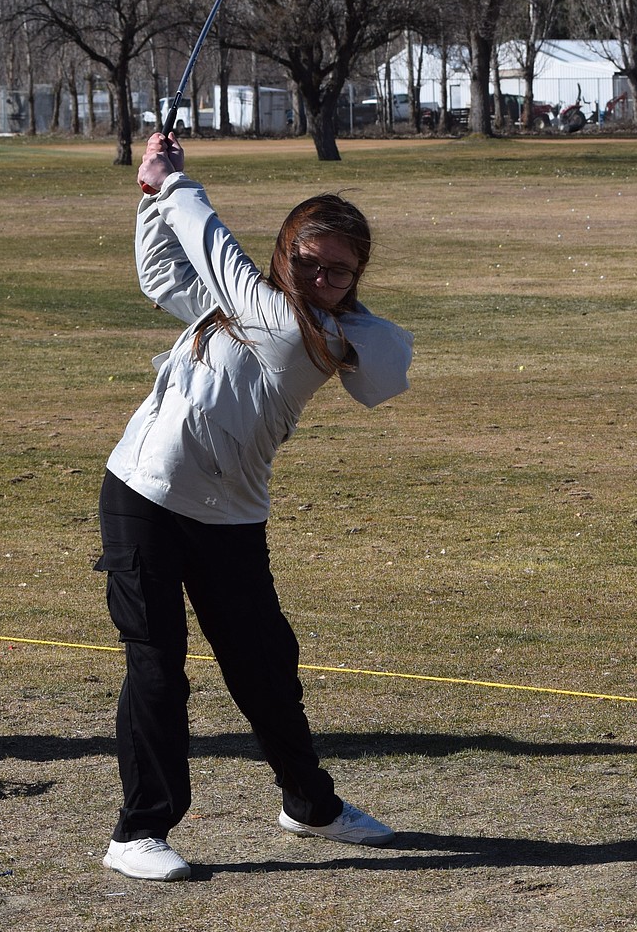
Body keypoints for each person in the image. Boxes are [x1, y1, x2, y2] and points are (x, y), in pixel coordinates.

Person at [96, 131, 414, 881]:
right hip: (144, 492)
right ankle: (138, 831)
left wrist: (170, 181)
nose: (321, 276)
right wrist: (152, 197)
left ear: (358, 275)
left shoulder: (294, 326)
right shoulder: (251, 304)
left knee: (264, 665)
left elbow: (210, 241)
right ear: (285, 253)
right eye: (308, 260)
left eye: (340, 269)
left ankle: (310, 806)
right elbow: (163, 273)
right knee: (157, 663)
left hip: (231, 515)